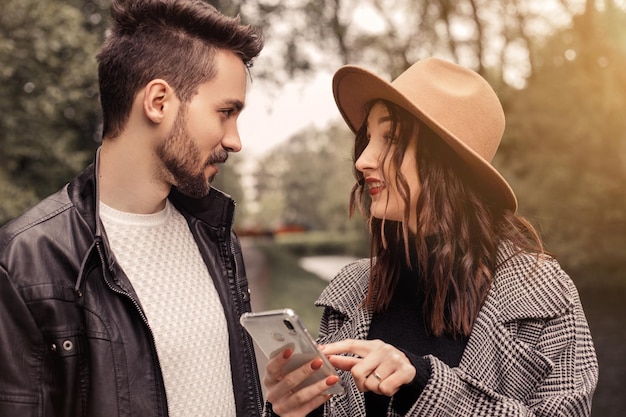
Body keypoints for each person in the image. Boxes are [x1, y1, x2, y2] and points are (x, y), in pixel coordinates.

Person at [262, 58, 598, 416]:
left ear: (445, 161)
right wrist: (294, 410)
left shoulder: (542, 291)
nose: (363, 160)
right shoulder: (352, 288)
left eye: (390, 138)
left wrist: (421, 384)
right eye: (368, 139)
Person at [0, 1, 264, 416]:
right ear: (158, 101)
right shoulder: (25, 261)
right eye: (225, 112)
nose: (235, 140)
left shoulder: (213, 235)